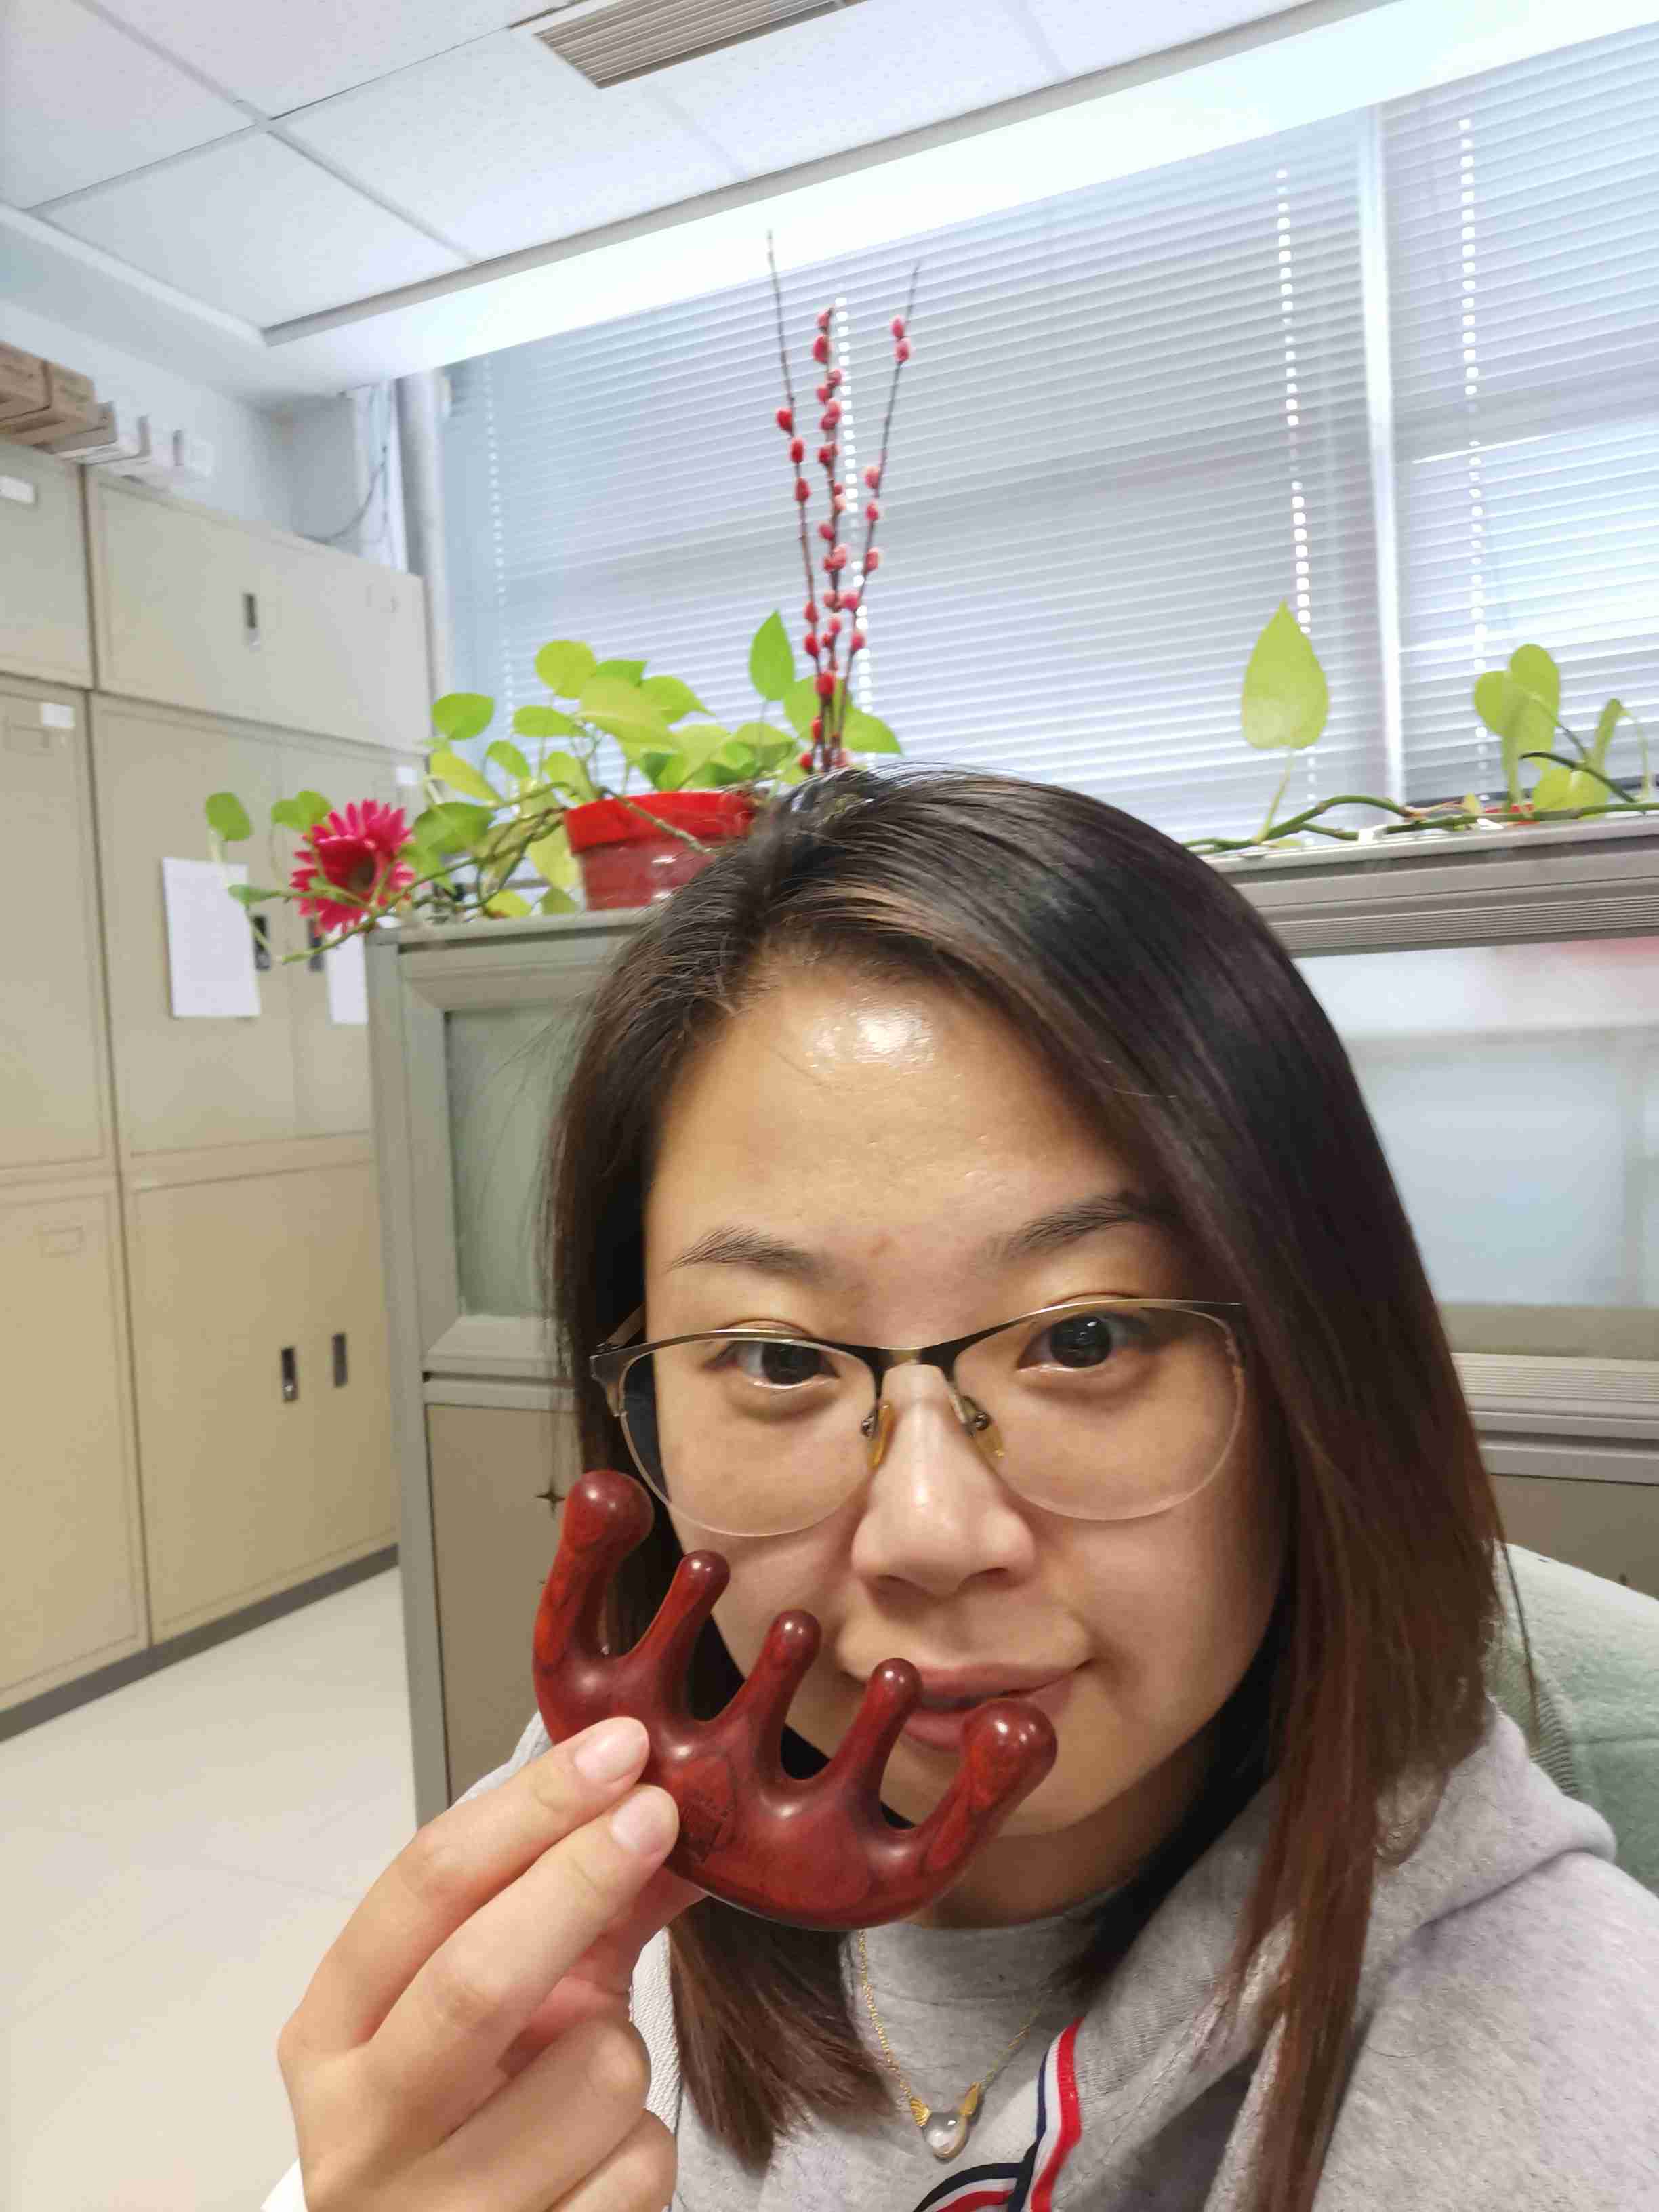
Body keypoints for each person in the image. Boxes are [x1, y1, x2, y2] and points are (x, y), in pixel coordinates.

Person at [270, 767, 1659, 2212]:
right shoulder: (590, 1849)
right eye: (776, 1357)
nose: (930, 1536)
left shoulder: (1576, 2086)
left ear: (1320, 1368)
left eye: (1086, 1339)